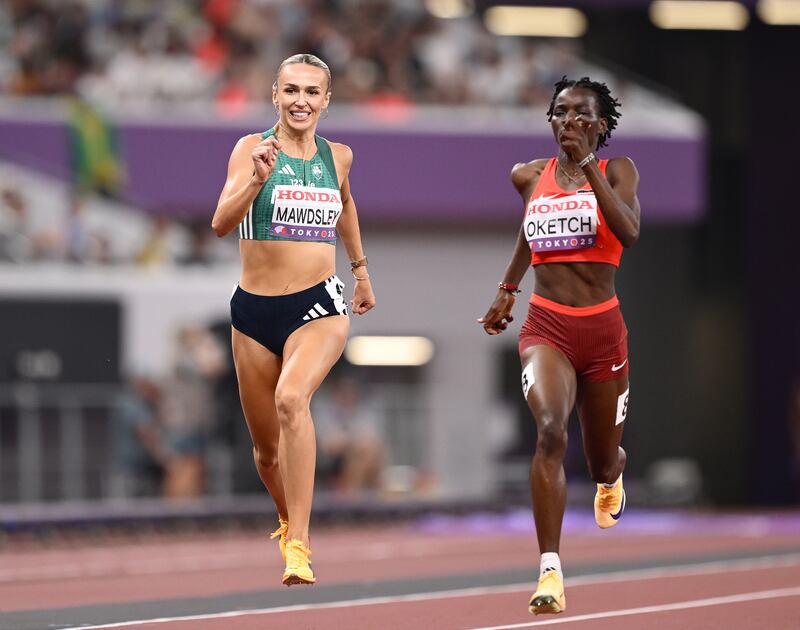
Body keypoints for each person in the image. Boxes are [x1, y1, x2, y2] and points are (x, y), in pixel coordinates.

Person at [211, 53, 376, 586]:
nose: (300, 100)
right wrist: (255, 182)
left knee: (291, 399)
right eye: (291, 91)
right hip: (254, 311)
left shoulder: (340, 156)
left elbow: (346, 205)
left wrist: (361, 270)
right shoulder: (250, 149)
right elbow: (220, 223)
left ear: (326, 101)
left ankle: (299, 545)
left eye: (311, 92)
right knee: (265, 454)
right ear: (274, 95)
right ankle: (287, 519)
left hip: (318, 304)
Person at [478, 76, 640, 615]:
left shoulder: (619, 171)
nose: (568, 122)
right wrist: (507, 290)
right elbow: (531, 230)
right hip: (546, 327)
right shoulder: (528, 176)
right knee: (550, 432)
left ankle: (611, 476)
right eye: (560, 113)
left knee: (599, 461)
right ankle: (550, 570)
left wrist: (589, 164)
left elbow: (630, 231)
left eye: (580, 115)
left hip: (602, 330)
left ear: (600, 124)